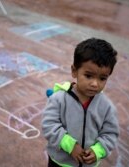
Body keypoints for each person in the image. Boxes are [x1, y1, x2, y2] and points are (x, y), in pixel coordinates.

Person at [41, 38, 119, 167]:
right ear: (74, 71)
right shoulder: (59, 99)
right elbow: (49, 125)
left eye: (102, 78)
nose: (95, 84)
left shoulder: (106, 106)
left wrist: (98, 151)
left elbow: (110, 133)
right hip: (60, 163)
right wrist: (70, 146)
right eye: (88, 76)